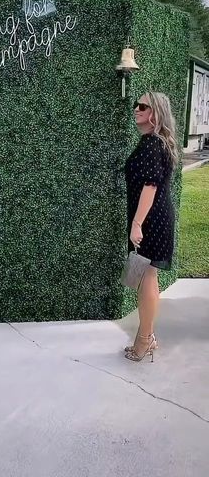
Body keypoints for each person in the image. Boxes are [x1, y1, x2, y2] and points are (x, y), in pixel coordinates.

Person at [124, 92, 178, 362]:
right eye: (136, 104)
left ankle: (144, 341)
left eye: (142, 106)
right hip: (154, 219)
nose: (136, 109)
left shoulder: (150, 144)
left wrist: (136, 224)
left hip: (150, 221)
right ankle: (148, 336)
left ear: (154, 114)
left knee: (147, 278)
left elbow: (150, 185)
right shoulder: (158, 143)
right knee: (147, 277)